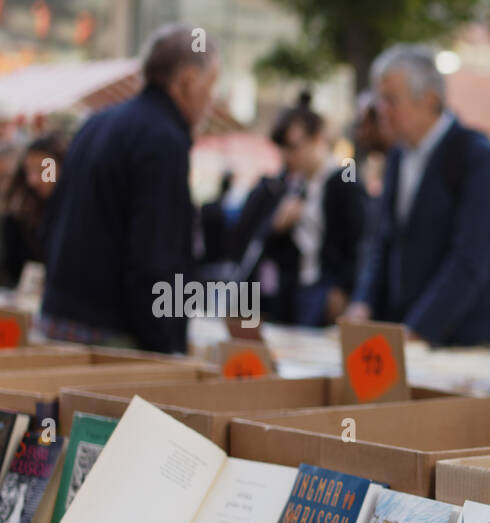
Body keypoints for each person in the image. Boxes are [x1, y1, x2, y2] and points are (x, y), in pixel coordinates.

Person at [40, 23, 219, 351]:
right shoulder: (163, 139)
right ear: (188, 81)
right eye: (213, 82)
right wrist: (167, 348)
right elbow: (154, 258)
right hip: (110, 333)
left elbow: (54, 220)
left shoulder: (96, 123)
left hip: (61, 319)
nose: (214, 97)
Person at [345, 45, 490, 346]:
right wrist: (362, 304)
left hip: (460, 341)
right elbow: (384, 238)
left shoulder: (475, 155)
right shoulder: (397, 156)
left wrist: (419, 331)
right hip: (403, 333)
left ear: (429, 100)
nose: (381, 111)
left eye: (391, 100)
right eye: (380, 99)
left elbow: (470, 257)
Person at [230, 93, 368, 326]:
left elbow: (359, 242)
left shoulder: (343, 182)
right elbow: (258, 241)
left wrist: (343, 288)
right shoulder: (287, 186)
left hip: (325, 290)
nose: (288, 157)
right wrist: (277, 226)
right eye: (283, 148)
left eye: (294, 147)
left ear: (317, 139)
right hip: (292, 292)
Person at [1, 134, 64, 286]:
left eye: (43, 170)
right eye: (29, 170)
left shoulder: (74, 213)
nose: (33, 180)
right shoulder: (18, 216)